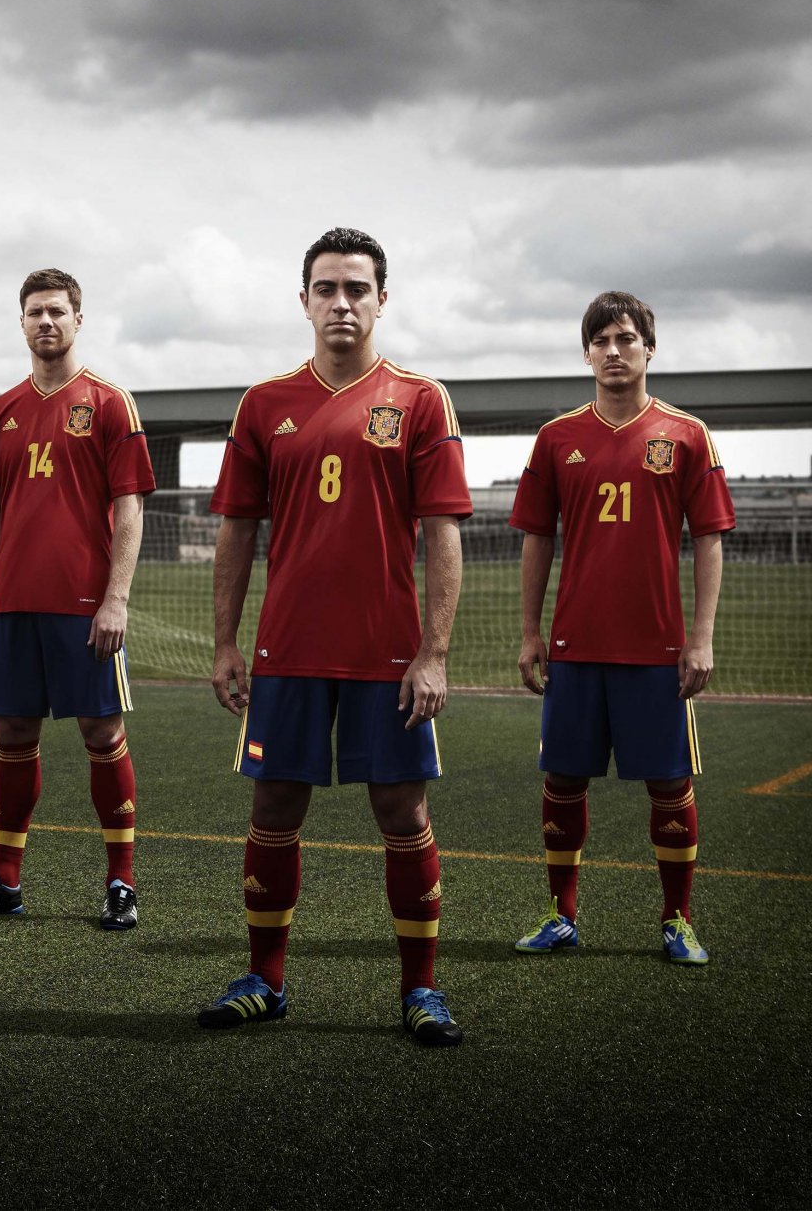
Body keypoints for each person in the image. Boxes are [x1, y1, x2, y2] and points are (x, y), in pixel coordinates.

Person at [199, 227, 470, 1046]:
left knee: (400, 808)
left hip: (386, 654)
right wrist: (225, 642)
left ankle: (419, 990)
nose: (341, 302)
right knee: (274, 805)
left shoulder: (420, 399)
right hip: (288, 650)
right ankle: (265, 981)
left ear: (382, 300)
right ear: (305, 299)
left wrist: (434, 651)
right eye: (327, 288)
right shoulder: (264, 404)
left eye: (357, 288)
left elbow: (443, 534)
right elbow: (238, 532)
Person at [508, 291, 734, 964]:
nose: (613, 351)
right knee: (563, 781)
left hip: (656, 651)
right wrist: (529, 630)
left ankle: (678, 920)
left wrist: (702, 637)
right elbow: (535, 539)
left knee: (669, 785)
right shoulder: (556, 439)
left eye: (626, 339)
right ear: (586, 353)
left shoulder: (686, 434)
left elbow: (711, 539)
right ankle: (560, 915)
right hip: (576, 648)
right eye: (601, 340)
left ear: (649, 349)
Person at [0, 268, 155, 930]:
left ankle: (121, 881)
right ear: (22, 322)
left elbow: (129, 509)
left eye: (57, 312)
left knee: (102, 734)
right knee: (13, 735)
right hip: (13, 605)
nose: (46, 322)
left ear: (78, 320)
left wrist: (116, 599)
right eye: (35, 312)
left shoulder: (109, 402)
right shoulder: (0, 412)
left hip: (84, 606)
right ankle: (4, 879)